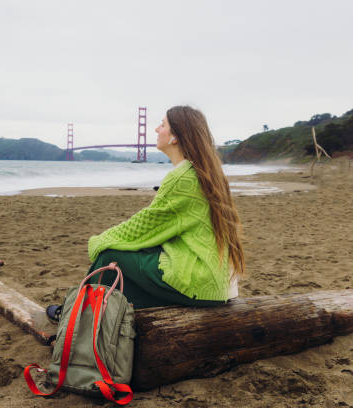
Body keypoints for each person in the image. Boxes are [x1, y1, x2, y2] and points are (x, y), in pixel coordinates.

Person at [46, 105, 244, 320]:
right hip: (219, 282)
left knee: (109, 256)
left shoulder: (183, 177)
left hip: (201, 280)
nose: (156, 129)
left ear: (175, 137)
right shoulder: (205, 172)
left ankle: (76, 318)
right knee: (138, 258)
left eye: (163, 124)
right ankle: (95, 315)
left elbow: (144, 226)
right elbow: (159, 227)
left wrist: (99, 240)